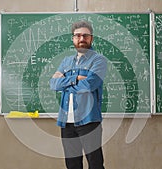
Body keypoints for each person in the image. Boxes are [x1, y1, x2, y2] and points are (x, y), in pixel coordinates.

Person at [50, 20, 107, 169]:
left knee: (95, 164)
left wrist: (65, 82)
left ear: (91, 38)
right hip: (66, 122)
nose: (82, 39)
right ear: (73, 38)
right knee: (72, 165)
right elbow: (53, 84)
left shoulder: (99, 60)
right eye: (78, 36)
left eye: (85, 36)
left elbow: (89, 85)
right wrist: (76, 79)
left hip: (89, 121)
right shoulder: (66, 61)